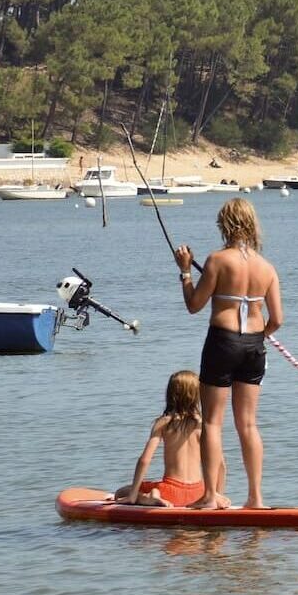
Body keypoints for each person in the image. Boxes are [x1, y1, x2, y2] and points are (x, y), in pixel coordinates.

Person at [176, 197, 283, 509]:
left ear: (225, 224)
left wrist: (185, 272)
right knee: (248, 424)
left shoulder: (217, 260)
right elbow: (277, 320)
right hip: (253, 346)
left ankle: (210, 496)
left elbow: (194, 305)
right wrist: (259, 337)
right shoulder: (267, 268)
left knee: (212, 422)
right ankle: (256, 498)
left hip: (223, 342)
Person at [113, 370, 206, 507]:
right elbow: (220, 462)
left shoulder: (164, 422)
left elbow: (145, 460)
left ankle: (148, 498)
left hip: (170, 492)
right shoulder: (203, 424)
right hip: (198, 492)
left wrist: (133, 495)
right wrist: (216, 493)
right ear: (197, 395)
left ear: (170, 394)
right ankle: (153, 494)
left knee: (121, 492)